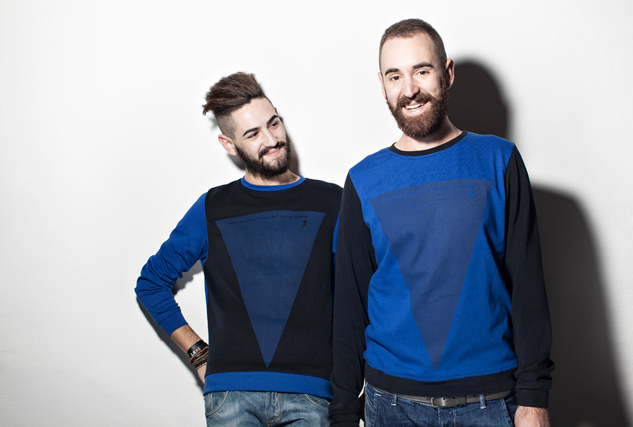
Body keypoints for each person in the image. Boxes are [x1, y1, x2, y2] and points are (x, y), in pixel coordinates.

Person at [329, 19, 554, 427]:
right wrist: (344, 412)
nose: (409, 89)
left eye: (421, 70)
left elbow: (528, 288)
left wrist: (535, 399)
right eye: (395, 76)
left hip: (490, 403)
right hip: (390, 406)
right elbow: (349, 305)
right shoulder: (362, 180)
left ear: (447, 73)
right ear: (382, 85)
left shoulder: (499, 160)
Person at [136, 72, 341, 426]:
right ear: (229, 145)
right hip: (231, 396)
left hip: (312, 394)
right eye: (253, 133)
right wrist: (198, 354)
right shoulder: (212, 207)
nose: (272, 139)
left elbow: (362, 293)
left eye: (273, 123)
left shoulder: (333, 201)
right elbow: (151, 283)